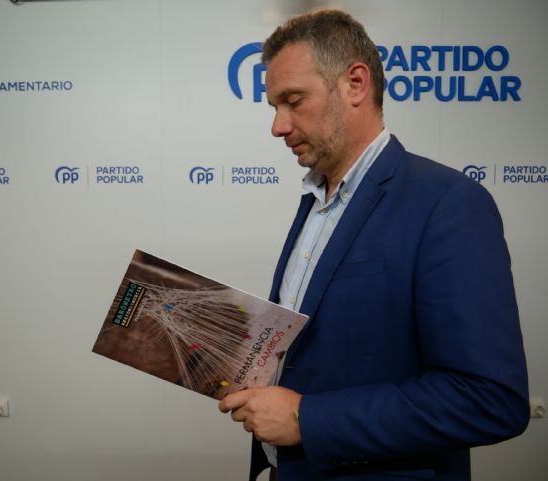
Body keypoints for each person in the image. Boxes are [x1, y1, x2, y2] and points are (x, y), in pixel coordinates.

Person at [218, 9, 529, 481]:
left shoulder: (448, 203)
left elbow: (489, 400)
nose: (277, 127)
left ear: (356, 84)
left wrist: (306, 419)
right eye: (273, 107)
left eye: (294, 101)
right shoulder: (315, 202)